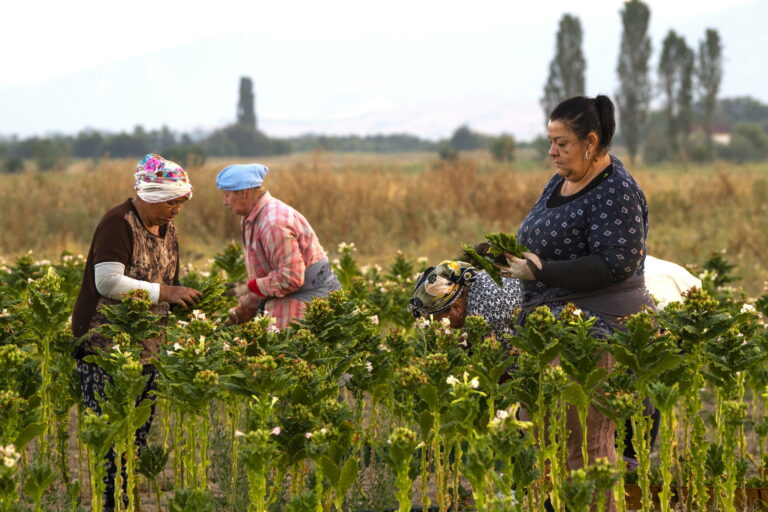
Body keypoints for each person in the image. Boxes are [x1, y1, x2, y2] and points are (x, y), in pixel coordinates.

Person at [497, 95, 653, 512]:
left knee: (587, 445)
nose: (551, 152)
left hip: (598, 331)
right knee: (549, 443)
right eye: (550, 142)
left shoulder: (616, 190)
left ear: (591, 141)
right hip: (552, 329)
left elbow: (614, 264)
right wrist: (503, 255)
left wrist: (541, 272)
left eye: (561, 143)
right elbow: (538, 243)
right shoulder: (560, 181)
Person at [71, 153, 201, 510]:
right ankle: (108, 504)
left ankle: (125, 502)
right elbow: (108, 282)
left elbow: (167, 283)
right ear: (149, 194)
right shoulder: (118, 223)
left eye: (181, 200)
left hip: (146, 348)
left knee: (137, 438)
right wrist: (166, 293)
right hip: (105, 347)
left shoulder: (169, 231)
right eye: (171, 200)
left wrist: (186, 305)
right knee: (111, 438)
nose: (177, 208)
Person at [216, 163, 341, 328]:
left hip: (309, 301)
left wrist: (246, 288)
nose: (225, 202)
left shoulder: (273, 223)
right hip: (289, 295)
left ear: (244, 193)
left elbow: (290, 278)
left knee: (283, 350)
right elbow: (265, 282)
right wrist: (236, 317)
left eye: (227, 195)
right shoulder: (252, 219)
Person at [408, 259, 522, 338]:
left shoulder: (484, 314)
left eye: (440, 321)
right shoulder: (477, 281)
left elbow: (512, 365)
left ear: (456, 307)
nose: (440, 328)